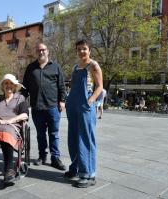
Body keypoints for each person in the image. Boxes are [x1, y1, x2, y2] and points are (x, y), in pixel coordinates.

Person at [21, 42, 66, 170]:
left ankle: (55, 158)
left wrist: (62, 100)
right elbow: (25, 88)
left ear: (48, 51)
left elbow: (61, 86)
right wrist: (17, 100)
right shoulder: (31, 68)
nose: (41, 52)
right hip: (36, 107)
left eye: (43, 50)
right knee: (41, 134)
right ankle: (42, 156)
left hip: (52, 107)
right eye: (39, 50)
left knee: (54, 134)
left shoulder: (56, 67)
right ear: (37, 52)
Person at [64, 39, 103, 188]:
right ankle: (76, 168)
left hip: (86, 105)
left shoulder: (93, 65)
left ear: (89, 50)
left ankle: (89, 174)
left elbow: (99, 87)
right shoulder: (75, 67)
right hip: (73, 105)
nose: (81, 51)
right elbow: (73, 85)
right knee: (73, 137)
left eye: (84, 49)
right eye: (79, 49)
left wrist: (90, 100)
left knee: (86, 138)